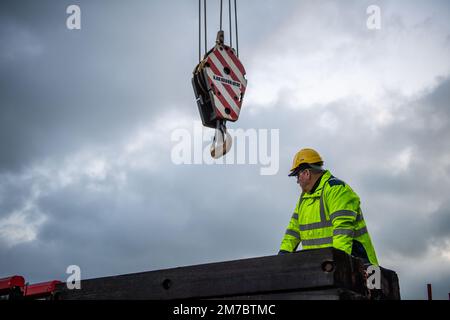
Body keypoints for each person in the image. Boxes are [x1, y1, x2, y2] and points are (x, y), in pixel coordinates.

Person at [279, 148, 378, 265]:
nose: (297, 182)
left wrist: (338, 265)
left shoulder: (336, 190)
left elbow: (343, 231)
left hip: (359, 267)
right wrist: (282, 256)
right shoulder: (304, 199)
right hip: (323, 268)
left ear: (306, 173)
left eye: (297, 176)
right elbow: (293, 231)